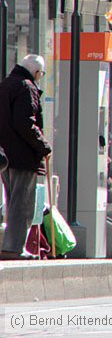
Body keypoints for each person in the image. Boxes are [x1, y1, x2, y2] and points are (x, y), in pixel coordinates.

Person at [0, 55, 51, 260]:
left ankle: (10, 246)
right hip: (23, 155)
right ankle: (13, 248)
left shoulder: (5, 84)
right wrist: (43, 146)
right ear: (37, 72)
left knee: (12, 201)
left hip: (5, 156)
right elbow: (26, 123)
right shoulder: (27, 88)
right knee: (22, 204)